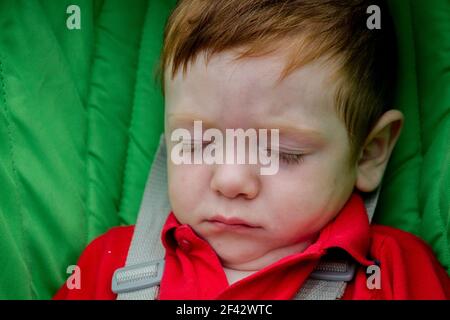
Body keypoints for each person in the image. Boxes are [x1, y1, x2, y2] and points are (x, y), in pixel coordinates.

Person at [54, 0, 450, 299]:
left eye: (281, 151)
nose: (230, 180)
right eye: (197, 142)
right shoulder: (110, 266)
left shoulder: (395, 273)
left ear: (368, 153)